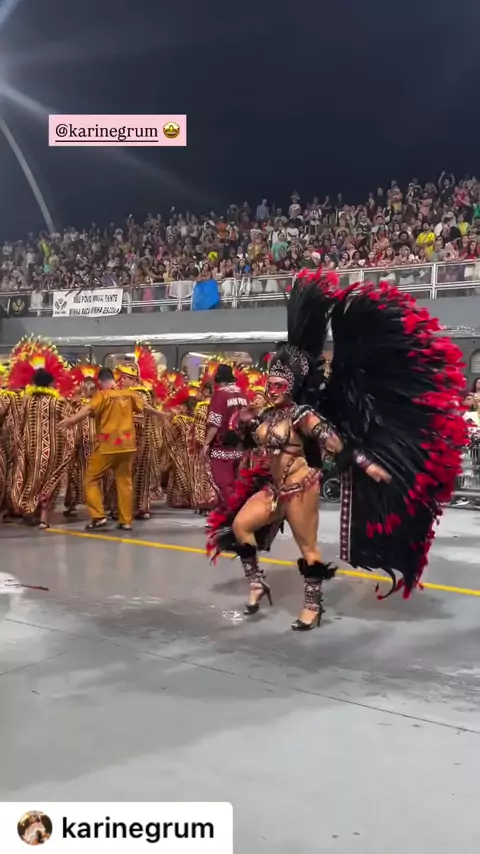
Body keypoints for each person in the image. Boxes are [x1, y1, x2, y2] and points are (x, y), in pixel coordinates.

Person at [207, 269, 467, 630]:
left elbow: (335, 443)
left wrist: (368, 466)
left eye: (279, 385)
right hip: (274, 489)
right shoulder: (265, 414)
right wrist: (241, 428)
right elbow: (247, 442)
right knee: (240, 527)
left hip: (301, 488)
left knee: (308, 550)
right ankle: (256, 583)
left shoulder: (303, 415)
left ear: (292, 386)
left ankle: (313, 606)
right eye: (270, 383)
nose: (272, 389)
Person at [61, 367, 163, 531]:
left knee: (91, 479)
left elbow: (88, 409)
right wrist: (160, 414)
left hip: (107, 446)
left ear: (100, 381)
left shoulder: (102, 395)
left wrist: (71, 420)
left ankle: (98, 516)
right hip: (127, 446)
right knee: (125, 483)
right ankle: (126, 521)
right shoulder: (129, 394)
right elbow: (145, 407)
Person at [8, 348, 76, 528]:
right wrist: (70, 447)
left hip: (30, 448)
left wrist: (19, 445)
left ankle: (29, 509)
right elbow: (69, 424)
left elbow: (19, 423)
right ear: (52, 384)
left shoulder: (27, 401)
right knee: (50, 480)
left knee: (32, 479)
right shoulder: (58, 402)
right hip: (54, 450)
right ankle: (43, 516)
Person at [204, 364, 249, 510]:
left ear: (219, 380)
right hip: (238, 446)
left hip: (221, 446)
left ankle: (234, 512)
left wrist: (206, 443)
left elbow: (215, 423)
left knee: (224, 483)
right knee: (234, 482)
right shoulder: (242, 394)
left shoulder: (220, 395)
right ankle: (226, 512)